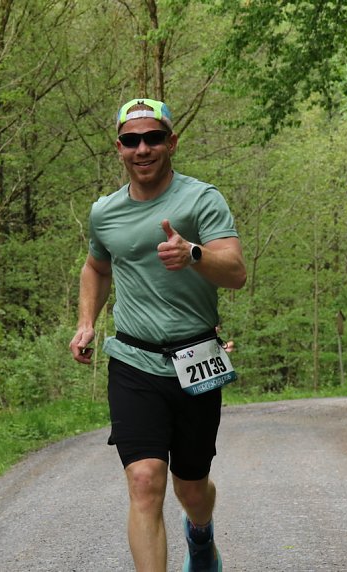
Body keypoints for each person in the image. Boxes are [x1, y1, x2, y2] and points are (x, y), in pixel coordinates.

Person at [69, 98, 246, 572]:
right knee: (145, 481)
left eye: (153, 138)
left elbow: (235, 272)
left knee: (191, 486)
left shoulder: (202, 199)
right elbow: (96, 267)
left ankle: (201, 534)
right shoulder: (104, 212)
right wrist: (86, 322)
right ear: (119, 148)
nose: (142, 149)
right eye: (131, 141)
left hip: (196, 358)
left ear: (172, 142)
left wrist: (193, 254)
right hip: (132, 359)